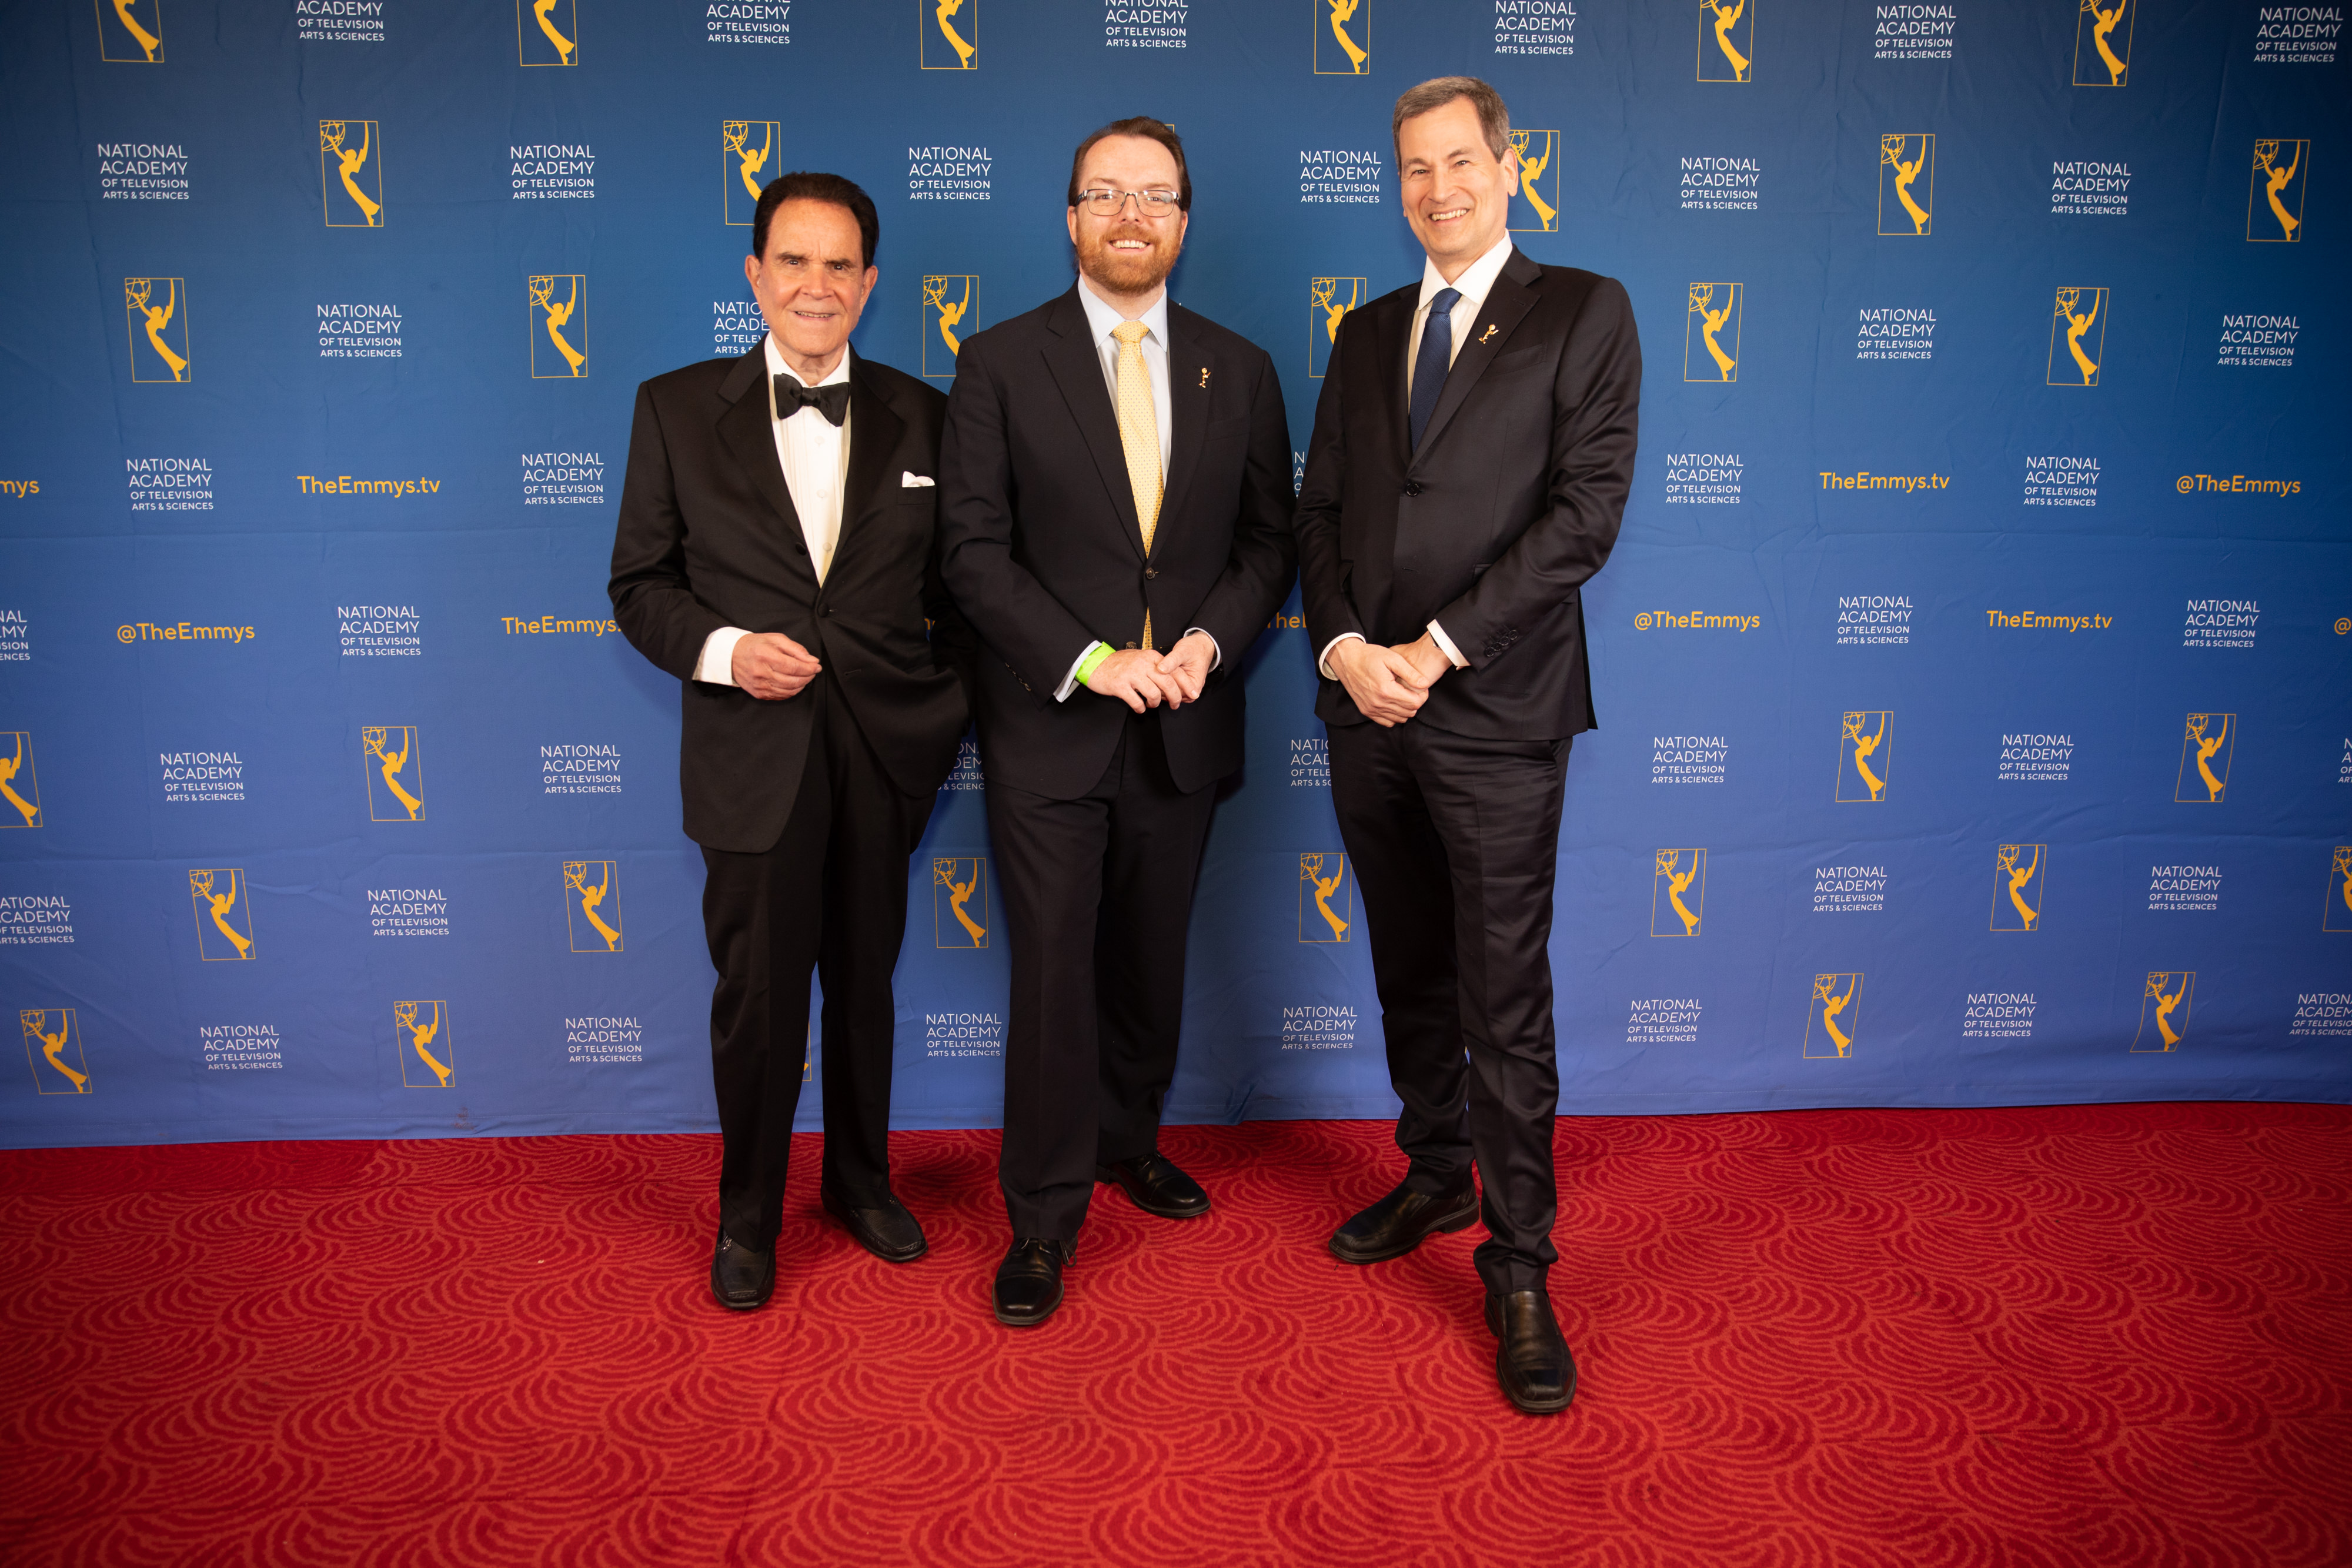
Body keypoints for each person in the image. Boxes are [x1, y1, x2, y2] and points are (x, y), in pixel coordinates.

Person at [1293, 77, 1641, 1414]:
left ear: (1509, 166)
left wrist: (1433, 649)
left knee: (1502, 996)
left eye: (1458, 162)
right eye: (1413, 169)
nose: (1436, 190)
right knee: (1409, 967)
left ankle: (1520, 1265)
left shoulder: (1584, 310)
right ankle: (1435, 1170)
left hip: (1492, 708)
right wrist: (1344, 649)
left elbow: (1583, 517)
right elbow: (1319, 512)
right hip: (1365, 706)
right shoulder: (1365, 329)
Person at [938, 118, 1297, 1328]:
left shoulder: (1240, 368)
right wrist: (1088, 661)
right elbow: (971, 553)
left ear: (1183, 221)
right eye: (1105, 193)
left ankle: (1126, 1140)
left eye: (1154, 195)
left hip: (1185, 720)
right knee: (1054, 974)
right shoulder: (997, 361)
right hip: (1052, 729)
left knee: (1149, 956)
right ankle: (1042, 1216)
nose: (1130, 214)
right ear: (1072, 218)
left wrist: (1207, 644)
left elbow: (1267, 544)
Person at [610, 172, 973, 1312]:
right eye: (794, 261)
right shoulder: (674, 408)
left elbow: (963, 593)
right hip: (751, 755)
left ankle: (862, 1182)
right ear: (755, 275)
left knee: (865, 986)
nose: (817, 285)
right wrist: (725, 652)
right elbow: (638, 586)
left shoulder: (928, 414)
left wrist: (937, 713)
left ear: (869, 283)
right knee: (759, 998)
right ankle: (749, 1215)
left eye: (839, 265)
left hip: (883, 753)